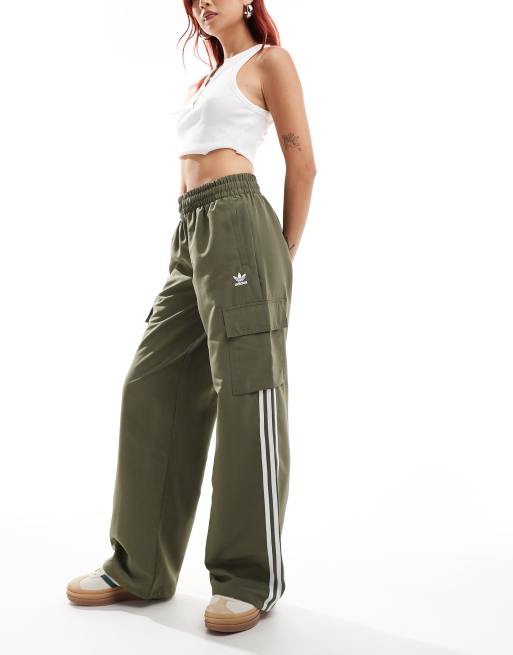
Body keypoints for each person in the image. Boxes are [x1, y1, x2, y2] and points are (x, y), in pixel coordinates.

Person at [66, 0, 316, 633]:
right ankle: (139, 567)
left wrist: (283, 252)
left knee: (248, 393)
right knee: (151, 384)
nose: (204, 2)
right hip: (192, 231)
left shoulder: (269, 62)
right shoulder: (205, 79)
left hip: (240, 224)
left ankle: (249, 579)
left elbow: (303, 162)